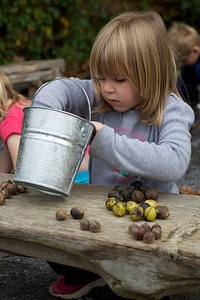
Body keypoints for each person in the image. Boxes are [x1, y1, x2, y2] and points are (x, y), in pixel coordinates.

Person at [32, 11, 194, 300]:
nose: (107, 88)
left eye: (119, 79)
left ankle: (139, 279)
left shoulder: (171, 110)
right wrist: (48, 105)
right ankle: (92, 271)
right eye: (100, 77)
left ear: (151, 74)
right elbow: (62, 88)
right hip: (102, 219)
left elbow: (175, 161)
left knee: (149, 271)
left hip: (148, 228)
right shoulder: (100, 97)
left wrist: (106, 140)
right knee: (49, 241)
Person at [0, 72, 32, 173]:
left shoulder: (10, 121)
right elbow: (2, 171)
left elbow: (22, 170)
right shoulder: (20, 105)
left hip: (75, 178)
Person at [168, 22, 200, 112]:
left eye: (183, 60)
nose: (181, 63)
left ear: (195, 51)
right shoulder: (189, 64)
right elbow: (183, 85)